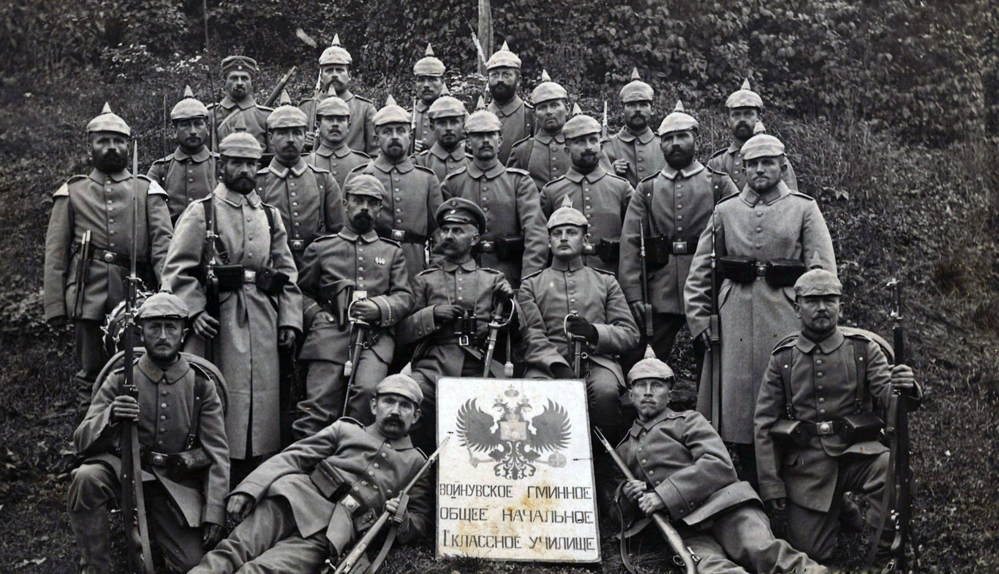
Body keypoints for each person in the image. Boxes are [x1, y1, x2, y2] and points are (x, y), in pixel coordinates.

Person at [684, 124, 835, 486]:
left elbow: (822, 271)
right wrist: (701, 317)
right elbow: (701, 270)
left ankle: (796, 478)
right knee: (738, 405)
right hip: (734, 313)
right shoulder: (726, 211)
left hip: (785, 314)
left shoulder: (803, 209)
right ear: (743, 169)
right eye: (752, 164)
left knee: (788, 395)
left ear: (783, 166)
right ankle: (750, 477)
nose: (760, 171)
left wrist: (815, 318)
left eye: (768, 163)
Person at [754, 269, 921, 562]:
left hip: (857, 453)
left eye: (829, 300)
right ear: (797, 306)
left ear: (841, 307)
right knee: (814, 552)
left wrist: (905, 389)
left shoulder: (862, 349)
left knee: (889, 467)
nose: (822, 308)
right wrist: (771, 484)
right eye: (813, 301)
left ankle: (883, 551)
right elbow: (764, 423)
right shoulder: (783, 358)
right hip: (807, 463)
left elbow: (889, 397)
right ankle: (842, 508)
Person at [162, 132, 302, 481]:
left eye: (251, 163)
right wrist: (193, 311)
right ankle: (218, 470)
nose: (243, 170)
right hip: (218, 317)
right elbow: (177, 270)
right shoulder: (202, 212)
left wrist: (289, 319)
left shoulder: (270, 216)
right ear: (221, 165)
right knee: (222, 395)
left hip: (264, 316)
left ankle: (259, 471)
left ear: (259, 167)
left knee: (265, 396)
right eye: (235, 162)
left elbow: (287, 272)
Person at [189, 375, 432, 574]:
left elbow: (421, 519)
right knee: (233, 550)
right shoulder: (345, 430)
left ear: (416, 416)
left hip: (332, 531)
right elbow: (294, 456)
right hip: (293, 499)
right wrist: (250, 488)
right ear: (374, 406)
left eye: (405, 405)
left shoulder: (417, 463)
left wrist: (400, 518)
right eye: (389, 401)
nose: (395, 411)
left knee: (266, 570)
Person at [612, 349, 827, 574]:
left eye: (656, 385)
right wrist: (626, 496)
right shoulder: (623, 449)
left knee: (761, 550)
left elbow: (718, 464)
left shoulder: (688, 421)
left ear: (670, 393)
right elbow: (615, 510)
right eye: (640, 385)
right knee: (711, 568)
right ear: (630, 393)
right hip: (686, 526)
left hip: (727, 505)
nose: (648, 392)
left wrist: (663, 496)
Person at [67, 293, 229, 573]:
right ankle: (94, 567)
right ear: (141, 332)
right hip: (124, 468)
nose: (163, 335)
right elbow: (81, 441)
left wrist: (214, 512)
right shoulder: (121, 378)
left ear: (184, 333)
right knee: (86, 478)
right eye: (154, 327)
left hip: (175, 482)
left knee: (192, 564)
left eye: (171, 327)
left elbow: (218, 455)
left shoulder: (202, 386)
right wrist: (111, 415)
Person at [399, 198, 567, 448]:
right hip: (434, 366)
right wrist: (432, 314)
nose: (448, 236)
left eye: (457, 230)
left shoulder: (492, 279)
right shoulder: (425, 280)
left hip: (481, 363)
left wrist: (509, 302)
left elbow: (519, 330)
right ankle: (419, 465)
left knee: (506, 410)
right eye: (445, 230)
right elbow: (404, 332)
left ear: (475, 239)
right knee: (413, 396)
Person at [43, 103, 174, 407]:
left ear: (128, 145)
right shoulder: (72, 192)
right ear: (90, 145)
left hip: (135, 295)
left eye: (118, 141)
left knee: (136, 367)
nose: (111, 147)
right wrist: (55, 306)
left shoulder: (147, 190)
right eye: (103, 140)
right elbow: (56, 252)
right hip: (87, 293)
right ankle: (90, 438)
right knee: (89, 373)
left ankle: (132, 440)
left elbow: (163, 249)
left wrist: (167, 295)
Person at [295, 174, 414, 436]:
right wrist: (315, 316)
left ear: (380, 209)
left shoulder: (391, 252)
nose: (365, 208)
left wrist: (380, 308)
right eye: (358, 201)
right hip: (329, 336)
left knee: (368, 395)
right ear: (345, 203)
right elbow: (301, 292)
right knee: (318, 406)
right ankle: (303, 468)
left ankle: (352, 461)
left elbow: (404, 296)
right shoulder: (321, 248)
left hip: (375, 339)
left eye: (372, 203)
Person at [619, 102, 738, 363]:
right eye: (669, 138)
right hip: (660, 287)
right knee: (644, 358)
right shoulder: (647, 189)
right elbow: (629, 245)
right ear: (660, 143)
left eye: (682, 136)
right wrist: (635, 295)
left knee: (713, 360)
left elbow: (738, 234)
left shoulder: (719, 184)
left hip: (709, 284)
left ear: (696, 139)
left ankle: (709, 406)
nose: (675, 144)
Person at [519, 202, 639, 432]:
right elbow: (530, 335)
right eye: (557, 234)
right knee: (535, 394)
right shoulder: (531, 285)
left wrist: (595, 332)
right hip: (546, 365)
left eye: (571, 233)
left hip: (597, 361)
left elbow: (629, 334)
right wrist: (557, 366)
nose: (563, 238)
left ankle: (602, 458)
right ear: (548, 242)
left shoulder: (606, 282)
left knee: (605, 392)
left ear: (584, 241)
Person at [441, 110, 548, 287]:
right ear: (468, 142)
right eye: (478, 136)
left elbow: (536, 236)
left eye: (490, 135)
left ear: (499, 141)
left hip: (509, 275)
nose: (485, 141)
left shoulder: (519, 182)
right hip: (463, 277)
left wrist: (529, 281)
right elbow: (442, 237)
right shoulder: (453, 183)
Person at [346, 97, 443, 284]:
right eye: (387, 132)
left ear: (410, 136)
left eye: (401, 131)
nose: (395, 137)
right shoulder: (361, 175)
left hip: (414, 265)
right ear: (376, 137)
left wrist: (434, 270)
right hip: (370, 263)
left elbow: (438, 233)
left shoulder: (427, 179)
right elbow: (348, 229)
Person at [540, 114, 633, 274]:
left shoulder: (621, 188)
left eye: (593, 140)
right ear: (567, 151)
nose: (588, 147)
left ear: (601, 147)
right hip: (564, 278)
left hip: (612, 276)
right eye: (580, 142)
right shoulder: (551, 192)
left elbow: (635, 240)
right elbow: (540, 243)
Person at [255, 105, 341, 269]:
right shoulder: (258, 181)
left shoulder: (322, 179)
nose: (290, 139)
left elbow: (337, 231)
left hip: (315, 264)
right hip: (273, 265)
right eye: (282, 133)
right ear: (271, 137)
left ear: (304, 136)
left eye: (296, 133)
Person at [708, 79, 798, 192]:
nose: (742, 120)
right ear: (728, 120)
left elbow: (791, 202)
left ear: (759, 118)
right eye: (736, 115)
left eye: (748, 114)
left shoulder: (776, 157)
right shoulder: (717, 162)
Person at [148, 86, 218, 223]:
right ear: (174, 130)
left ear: (207, 129)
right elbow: (151, 211)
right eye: (185, 125)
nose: (192, 131)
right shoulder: (160, 169)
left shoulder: (220, 164)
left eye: (198, 124)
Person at [299, 34, 377, 154]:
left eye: (340, 70)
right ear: (321, 75)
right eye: (329, 70)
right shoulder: (306, 108)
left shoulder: (365, 108)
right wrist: (301, 146)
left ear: (349, 75)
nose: (334, 75)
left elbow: (375, 153)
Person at [603, 68, 666, 188]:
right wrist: (610, 172)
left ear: (652, 109)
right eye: (631, 105)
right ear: (622, 109)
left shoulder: (664, 145)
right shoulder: (607, 147)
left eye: (643, 104)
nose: (637, 109)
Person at [507, 74, 572, 191]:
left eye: (554, 105)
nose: (549, 112)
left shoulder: (581, 144)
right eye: (542, 107)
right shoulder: (522, 150)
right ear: (534, 114)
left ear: (567, 109)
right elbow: (510, 191)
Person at [307, 94, 371, 190]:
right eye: (329, 119)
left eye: (340, 119)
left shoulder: (364, 164)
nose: (335, 124)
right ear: (318, 125)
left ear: (348, 126)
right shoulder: (305, 163)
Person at [485, 41, 534, 164]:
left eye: (506, 75)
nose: (500, 80)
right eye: (495, 75)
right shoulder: (481, 114)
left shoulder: (530, 115)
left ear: (518, 80)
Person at [211, 55, 272, 150]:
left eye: (244, 78)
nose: (239, 83)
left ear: (252, 83)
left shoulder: (266, 116)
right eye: (234, 78)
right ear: (224, 83)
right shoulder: (212, 114)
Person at [413, 95, 470, 183]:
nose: (448, 128)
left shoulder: (473, 163)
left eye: (454, 122)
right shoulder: (419, 163)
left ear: (463, 126)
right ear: (432, 128)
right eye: (442, 123)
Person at [411, 43, 446, 153]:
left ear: (442, 82)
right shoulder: (409, 115)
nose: (426, 85)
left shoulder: (457, 112)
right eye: (421, 80)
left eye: (432, 79)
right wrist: (408, 145)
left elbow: (469, 141)